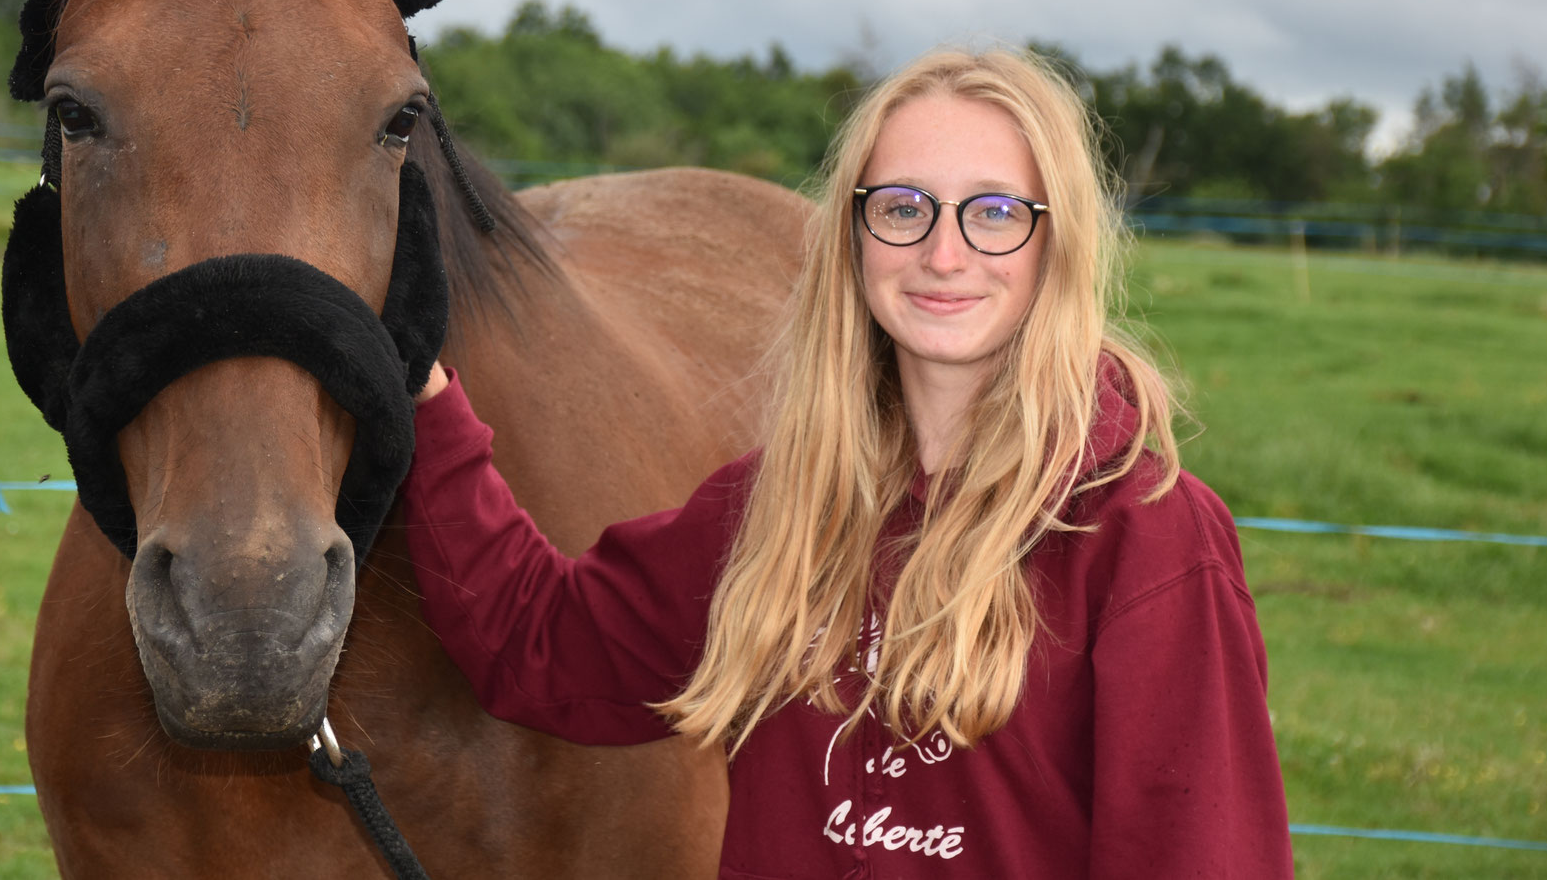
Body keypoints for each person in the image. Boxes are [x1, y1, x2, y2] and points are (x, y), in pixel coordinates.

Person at [402, 45, 1292, 878]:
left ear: (1054, 245)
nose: (944, 255)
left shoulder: (1146, 536)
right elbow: (540, 644)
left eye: (994, 213)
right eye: (903, 207)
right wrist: (429, 397)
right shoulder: (778, 512)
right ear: (854, 235)